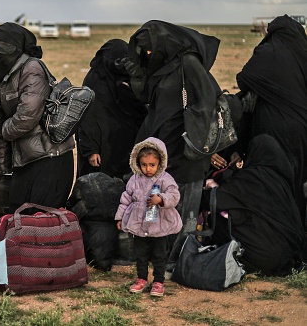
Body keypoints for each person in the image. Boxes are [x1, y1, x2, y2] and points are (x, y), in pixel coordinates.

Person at [125, 20, 221, 270]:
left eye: (149, 50)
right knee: (158, 205)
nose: (147, 55)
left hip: (186, 151)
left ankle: (180, 259)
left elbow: (208, 99)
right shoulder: (163, 67)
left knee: (184, 205)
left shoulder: (187, 63)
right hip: (162, 152)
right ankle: (160, 258)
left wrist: (195, 135)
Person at [0, 22, 75, 214]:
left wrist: (5, 130)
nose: (1, 55)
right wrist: (3, 167)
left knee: (42, 219)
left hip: (49, 157)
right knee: (19, 216)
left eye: (7, 49)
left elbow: (27, 116)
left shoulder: (31, 68)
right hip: (24, 160)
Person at [236, 14, 307, 228]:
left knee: (273, 176)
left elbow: (244, 78)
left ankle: (273, 230)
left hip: (271, 125)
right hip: (301, 128)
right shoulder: (304, 53)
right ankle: (298, 229)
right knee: (298, 176)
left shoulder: (266, 52)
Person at [208, 134, 306, 276]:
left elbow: (213, 200)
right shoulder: (281, 180)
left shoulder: (250, 178)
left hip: (261, 258)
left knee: (218, 217)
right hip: (288, 254)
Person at [115, 137, 182, 297]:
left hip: (159, 225)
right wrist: (120, 217)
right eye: (144, 165)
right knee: (140, 254)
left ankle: (158, 281)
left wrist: (161, 199)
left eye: (152, 165)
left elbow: (175, 195)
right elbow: (125, 199)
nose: (148, 169)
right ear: (137, 163)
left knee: (159, 255)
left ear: (160, 163)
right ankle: (141, 279)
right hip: (139, 225)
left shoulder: (165, 179)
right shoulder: (134, 179)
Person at [76, 39, 147, 179]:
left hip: (125, 146)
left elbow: (140, 111)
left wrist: (130, 90)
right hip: (101, 150)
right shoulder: (94, 81)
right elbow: (87, 118)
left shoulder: (127, 78)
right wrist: (91, 150)